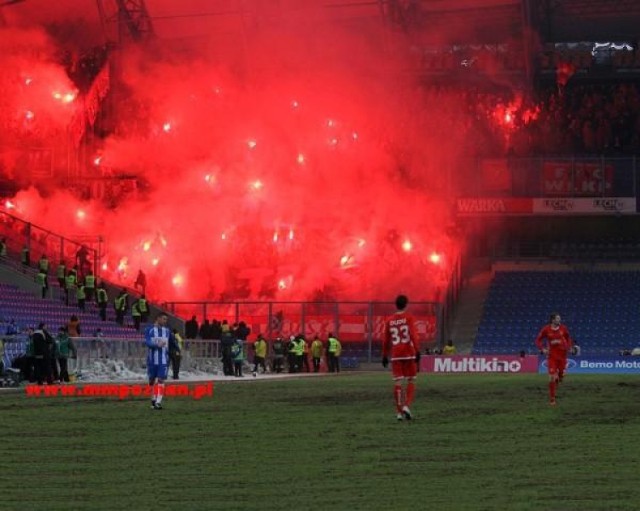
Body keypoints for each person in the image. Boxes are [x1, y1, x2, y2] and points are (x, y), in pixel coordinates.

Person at [382, 295, 421, 421]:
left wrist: (384, 355)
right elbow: (413, 335)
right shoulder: (408, 317)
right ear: (406, 304)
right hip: (408, 353)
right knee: (411, 380)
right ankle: (406, 406)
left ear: (396, 305)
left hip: (395, 354)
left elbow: (386, 340)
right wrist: (417, 350)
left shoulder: (389, 320)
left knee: (398, 382)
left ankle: (399, 413)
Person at [534, 312, 573, 406]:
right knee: (551, 377)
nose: (559, 320)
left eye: (559, 318)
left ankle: (560, 376)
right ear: (553, 320)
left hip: (563, 355)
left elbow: (568, 338)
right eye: (557, 318)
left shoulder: (563, 328)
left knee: (561, 375)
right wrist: (542, 349)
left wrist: (569, 347)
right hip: (552, 356)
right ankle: (552, 399)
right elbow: (538, 340)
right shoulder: (546, 329)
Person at [144, 312, 178, 410]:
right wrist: (156, 345)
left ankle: (158, 402)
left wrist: (178, 350)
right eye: (163, 319)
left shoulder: (167, 331)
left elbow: (172, 341)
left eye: (166, 319)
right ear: (158, 318)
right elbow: (147, 342)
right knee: (151, 381)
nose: (165, 321)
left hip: (163, 360)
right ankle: (153, 399)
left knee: (161, 379)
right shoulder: (149, 329)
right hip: (151, 361)